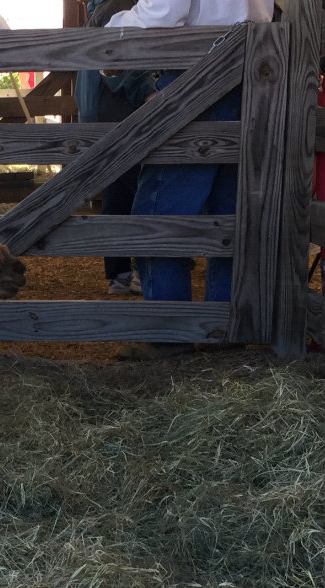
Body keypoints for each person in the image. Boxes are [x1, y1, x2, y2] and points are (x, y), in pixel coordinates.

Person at [105, 0, 275, 359]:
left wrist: (110, 32)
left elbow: (159, 16)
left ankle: (170, 333)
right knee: (230, 211)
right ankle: (224, 328)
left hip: (197, 78)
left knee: (159, 213)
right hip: (251, 80)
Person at [73, 0, 155, 295]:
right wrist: (147, 89)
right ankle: (151, 267)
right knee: (143, 193)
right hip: (120, 113)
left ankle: (120, 272)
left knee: (116, 196)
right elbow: (122, 63)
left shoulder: (97, 11)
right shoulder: (119, 7)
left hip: (96, 113)